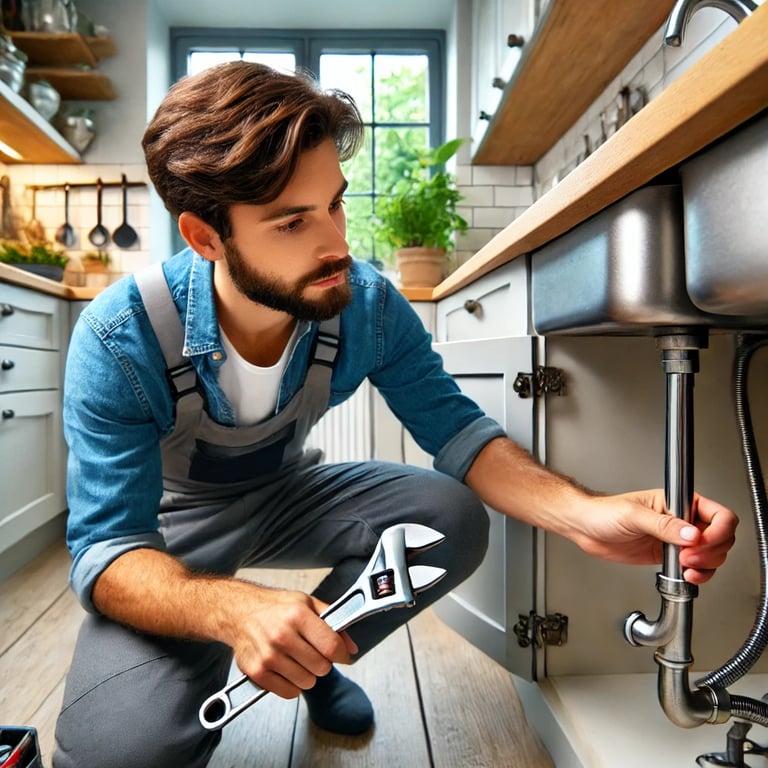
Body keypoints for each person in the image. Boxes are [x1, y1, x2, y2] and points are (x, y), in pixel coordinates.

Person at [53, 62, 737, 768]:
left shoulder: (367, 306)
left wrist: (586, 515)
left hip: (290, 495)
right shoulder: (121, 337)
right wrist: (236, 612)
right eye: (292, 222)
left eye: (336, 205)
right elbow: (106, 553)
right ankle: (268, 646)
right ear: (205, 237)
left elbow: (461, 435)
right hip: (172, 532)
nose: (336, 246)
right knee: (116, 752)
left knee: (448, 514)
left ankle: (316, 662)